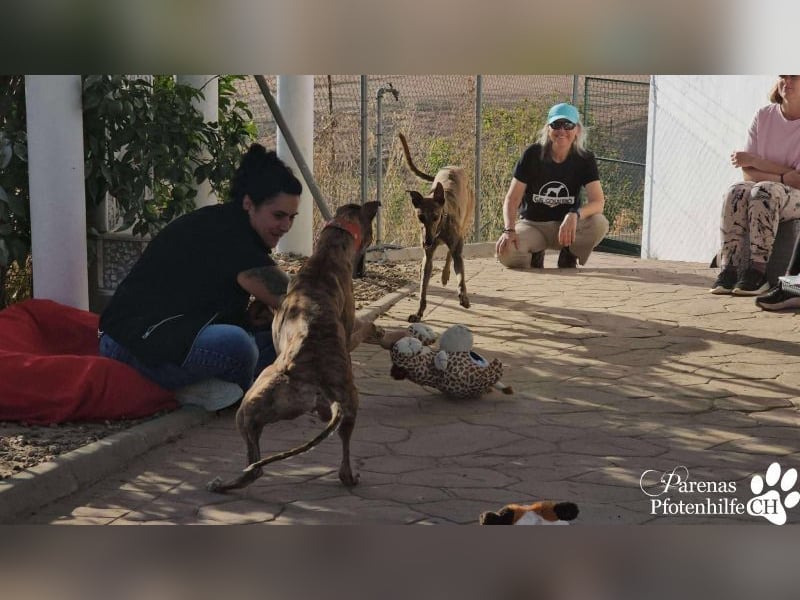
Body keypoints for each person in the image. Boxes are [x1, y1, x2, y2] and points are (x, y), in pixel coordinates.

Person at [98, 143, 302, 411]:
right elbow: (298, 304)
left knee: (279, 341)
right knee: (239, 344)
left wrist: (247, 319)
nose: (286, 226)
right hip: (129, 345)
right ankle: (221, 392)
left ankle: (217, 388)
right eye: (278, 216)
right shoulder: (231, 237)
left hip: (180, 336)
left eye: (292, 217)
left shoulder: (239, 230)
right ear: (249, 203)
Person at [710, 75, 800, 296]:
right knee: (736, 191)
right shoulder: (763, 116)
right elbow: (747, 172)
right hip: (772, 189)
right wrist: (783, 174)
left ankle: (758, 272)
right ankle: (729, 269)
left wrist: (757, 161)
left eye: (794, 77)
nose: (787, 81)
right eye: (783, 76)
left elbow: (798, 180)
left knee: (764, 191)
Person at [495, 102, 609, 270]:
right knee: (507, 252)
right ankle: (535, 253)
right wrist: (509, 230)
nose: (562, 131)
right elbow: (512, 199)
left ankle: (569, 253)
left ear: (577, 130)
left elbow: (598, 202)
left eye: (568, 125)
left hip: (568, 228)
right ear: (548, 128)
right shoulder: (532, 154)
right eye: (556, 124)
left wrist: (575, 214)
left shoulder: (585, 159)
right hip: (533, 226)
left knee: (599, 223)